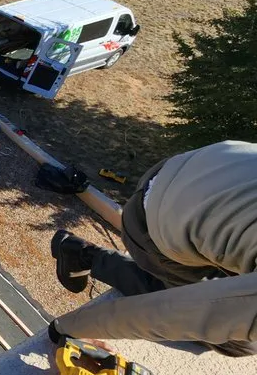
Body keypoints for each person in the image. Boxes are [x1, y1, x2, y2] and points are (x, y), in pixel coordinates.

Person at [48, 140, 257, 356]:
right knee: (240, 341)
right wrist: (66, 329)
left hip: (178, 169)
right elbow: (169, 313)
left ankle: (82, 255)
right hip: (147, 222)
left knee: (235, 295)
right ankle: (85, 256)